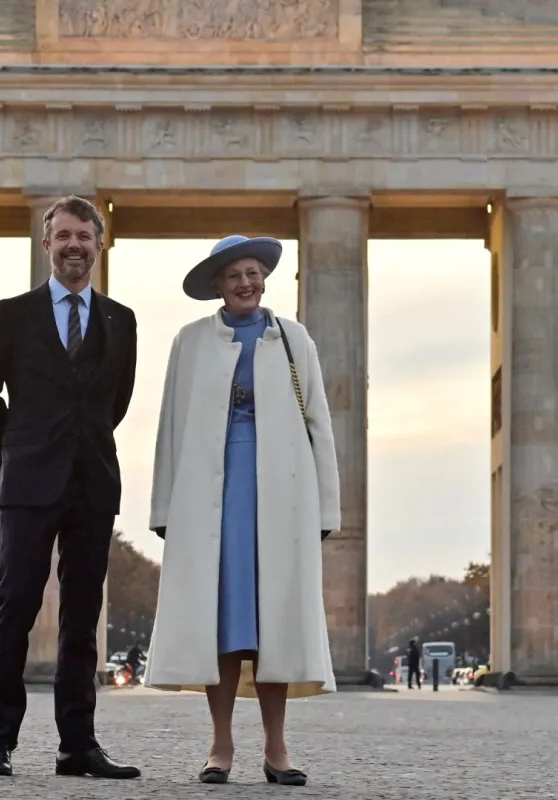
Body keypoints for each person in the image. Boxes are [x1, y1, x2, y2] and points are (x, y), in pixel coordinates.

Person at [144, 235, 341, 787]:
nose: (246, 282)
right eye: (234, 275)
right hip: (211, 494)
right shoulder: (190, 342)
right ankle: (220, 743)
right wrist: (164, 508)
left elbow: (318, 425)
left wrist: (327, 506)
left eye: (253, 272)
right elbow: (170, 428)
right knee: (224, 619)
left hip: (283, 492)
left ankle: (278, 746)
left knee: (274, 620)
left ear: (265, 277)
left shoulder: (294, 339)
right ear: (217, 285)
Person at [0, 195, 139, 780]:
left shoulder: (122, 320)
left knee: (82, 617)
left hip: (93, 482)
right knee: (16, 607)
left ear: (100, 244)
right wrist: (16, 449)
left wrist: (80, 445)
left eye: (84, 237)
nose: (73, 246)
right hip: (29, 480)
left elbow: (116, 403)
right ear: (46, 245)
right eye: (62, 236)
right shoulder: (12, 313)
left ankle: (78, 745)